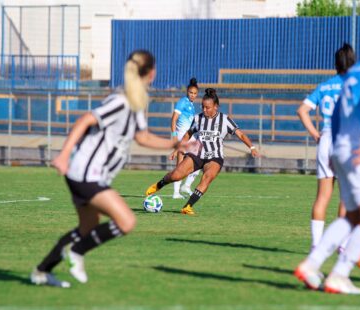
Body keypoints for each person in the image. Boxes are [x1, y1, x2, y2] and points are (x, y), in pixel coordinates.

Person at [30, 50, 182, 287]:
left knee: (87, 227)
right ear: (152, 73)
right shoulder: (120, 101)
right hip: (86, 173)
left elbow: (143, 138)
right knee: (126, 222)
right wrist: (63, 155)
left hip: (90, 175)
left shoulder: (136, 103)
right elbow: (85, 120)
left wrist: (174, 143)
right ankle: (77, 252)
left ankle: (41, 271)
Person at [295, 16, 360, 295]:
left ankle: (313, 264)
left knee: (353, 215)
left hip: (337, 144)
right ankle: (339, 273)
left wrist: (334, 143)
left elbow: (339, 110)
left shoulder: (353, 72)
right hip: (359, 147)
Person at [145, 88, 260, 215]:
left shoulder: (225, 120)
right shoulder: (198, 119)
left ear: (216, 106)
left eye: (207, 107)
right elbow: (187, 135)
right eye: (203, 107)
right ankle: (159, 184)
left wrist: (252, 148)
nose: (204, 110)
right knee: (176, 175)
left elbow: (241, 134)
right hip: (197, 154)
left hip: (215, 156)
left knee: (207, 178)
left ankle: (188, 206)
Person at [297, 43, 355, 250]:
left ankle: (316, 245)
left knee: (322, 197)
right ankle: (343, 243)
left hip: (326, 140)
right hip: (345, 141)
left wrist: (314, 133)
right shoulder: (355, 85)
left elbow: (302, 110)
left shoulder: (326, 85)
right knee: (346, 196)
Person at [170, 78, 201, 199]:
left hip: (190, 138)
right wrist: (174, 136)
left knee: (199, 161)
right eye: (190, 93)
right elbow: (173, 120)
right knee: (181, 164)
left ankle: (185, 187)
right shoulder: (182, 102)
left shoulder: (192, 106)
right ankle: (177, 192)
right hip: (182, 138)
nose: (192, 95)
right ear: (187, 92)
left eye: (195, 93)